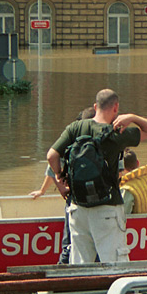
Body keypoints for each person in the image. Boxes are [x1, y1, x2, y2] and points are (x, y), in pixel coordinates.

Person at [47, 89, 147, 264]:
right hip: (107, 207)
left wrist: (61, 177)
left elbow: (51, 156)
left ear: (95, 106)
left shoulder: (75, 128)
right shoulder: (116, 133)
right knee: (115, 264)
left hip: (78, 207)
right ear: (116, 108)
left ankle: (83, 291)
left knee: (80, 266)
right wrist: (133, 117)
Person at [30, 106, 95, 264]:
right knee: (87, 243)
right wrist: (44, 189)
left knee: (70, 242)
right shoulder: (99, 139)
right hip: (96, 200)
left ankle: (64, 276)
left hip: (74, 199)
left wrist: (56, 185)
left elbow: (52, 162)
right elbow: (52, 164)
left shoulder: (70, 141)